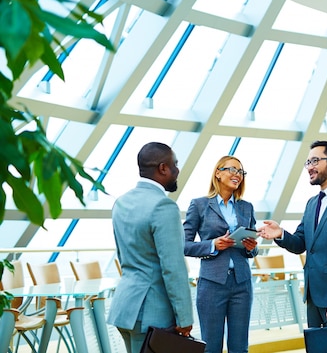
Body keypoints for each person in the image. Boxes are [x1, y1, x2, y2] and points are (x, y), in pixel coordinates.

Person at [258, 140, 327, 327]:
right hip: (313, 297)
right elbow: (301, 243)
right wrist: (280, 233)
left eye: (315, 161)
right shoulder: (311, 204)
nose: (310, 167)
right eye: (308, 163)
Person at [108, 142, 194, 353]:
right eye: (175, 164)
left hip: (125, 307)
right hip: (152, 312)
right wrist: (184, 317)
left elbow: (123, 255)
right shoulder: (163, 206)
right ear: (163, 168)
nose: (177, 170)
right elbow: (173, 267)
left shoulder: (122, 202)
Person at [183, 156, 258, 353]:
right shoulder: (199, 205)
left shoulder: (246, 207)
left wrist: (251, 247)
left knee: (240, 348)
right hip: (212, 284)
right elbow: (183, 245)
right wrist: (213, 244)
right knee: (211, 348)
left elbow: (254, 248)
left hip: (242, 283)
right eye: (232, 170)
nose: (237, 175)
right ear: (218, 172)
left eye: (241, 172)